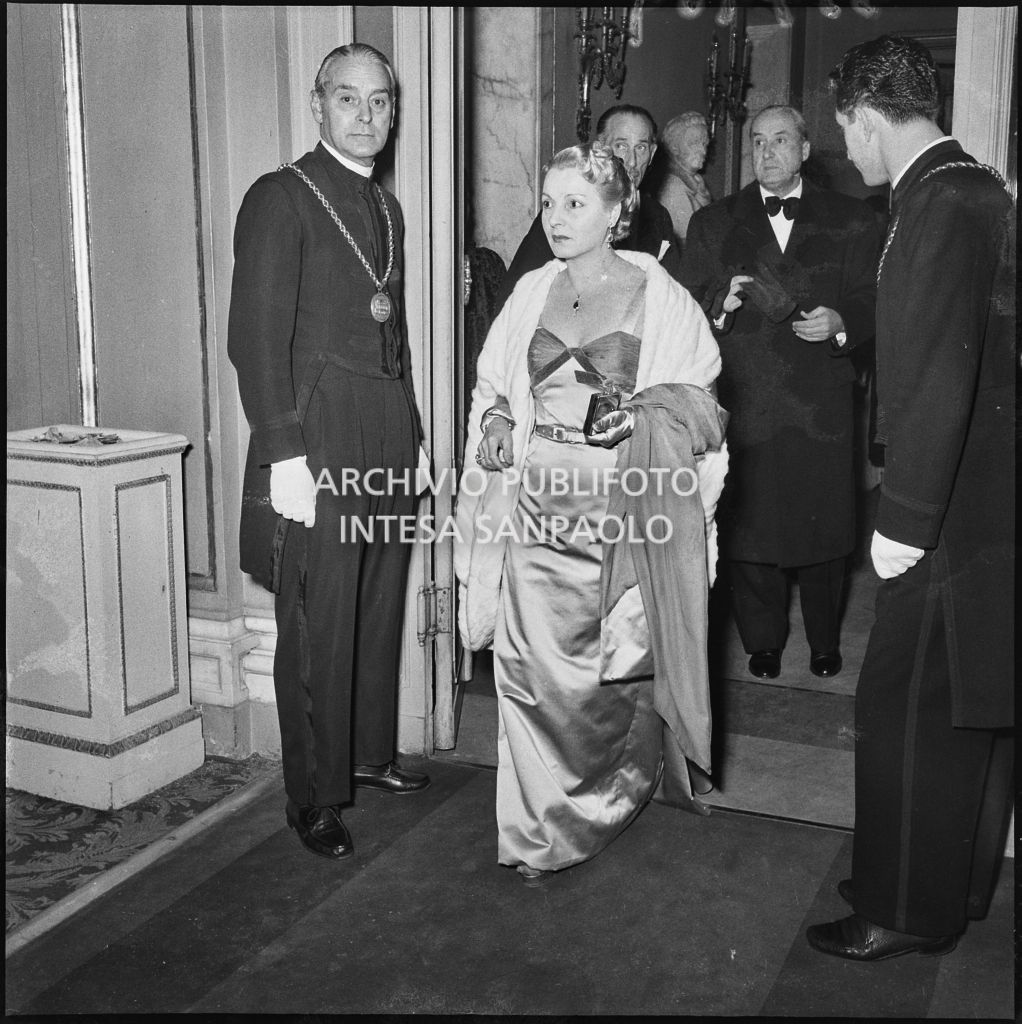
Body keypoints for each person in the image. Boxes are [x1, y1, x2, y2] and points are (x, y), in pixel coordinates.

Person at [454, 142, 729, 885]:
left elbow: (702, 408)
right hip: (534, 508)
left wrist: (639, 417)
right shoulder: (531, 290)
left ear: (617, 212)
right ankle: (536, 830)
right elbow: (493, 383)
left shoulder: (658, 294)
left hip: (618, 511)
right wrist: (496, 421)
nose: (556, 218)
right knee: (523, 671)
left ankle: (614, 790)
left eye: (575, 203)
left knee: (606, 678)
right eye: (548, 203)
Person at [806, 33, 1015, 962]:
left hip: (950, 510)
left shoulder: (940, 200)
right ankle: (948, 888)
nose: (845, 148)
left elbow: (936, 374)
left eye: (844, 128)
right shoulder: (969, 186)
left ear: (864, 114)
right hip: (983, 501)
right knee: (964, 706)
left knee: (901, 704)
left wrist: (904, 522)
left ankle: (899, 910)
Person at [227, 43, 429, 863]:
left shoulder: (386, 207)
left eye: (380, 101)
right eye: (349, 98)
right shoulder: (281, 197)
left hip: (384, 428)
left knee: (377, 603)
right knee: (318, 618)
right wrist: (285, 454)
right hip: (318, 434)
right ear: (318, 105)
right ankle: (312, 795)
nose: (367, 115)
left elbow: (392, 333)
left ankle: (368, 753)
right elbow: (254, 340)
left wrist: (413, 433)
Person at [681, 104, 881, 681]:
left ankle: (824, 641)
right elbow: (687, 307)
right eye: (758, 142)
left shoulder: (853, 219)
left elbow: (873, 297)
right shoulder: (713, 222)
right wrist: (719, 306)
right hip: (748, 395)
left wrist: (841, 322)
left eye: (781, 140)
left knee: (825, 530)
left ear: (805, 149)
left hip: (820, 400)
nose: (767, 152)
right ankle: (762, 642)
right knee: (751, 528)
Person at [493, 104, 681, 312]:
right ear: (601, 150)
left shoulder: (657, 216)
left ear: (652, 154)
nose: (632, 161)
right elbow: (516, 298)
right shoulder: (568, 209)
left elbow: (672, 298)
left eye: (641, 148)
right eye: (621, 146)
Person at [656, 111, 713, 248]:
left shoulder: (697, 182)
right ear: (674, 147)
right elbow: (688, 243)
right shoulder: (673, 187)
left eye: (704, 144)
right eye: (694, 143)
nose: (703, 151)